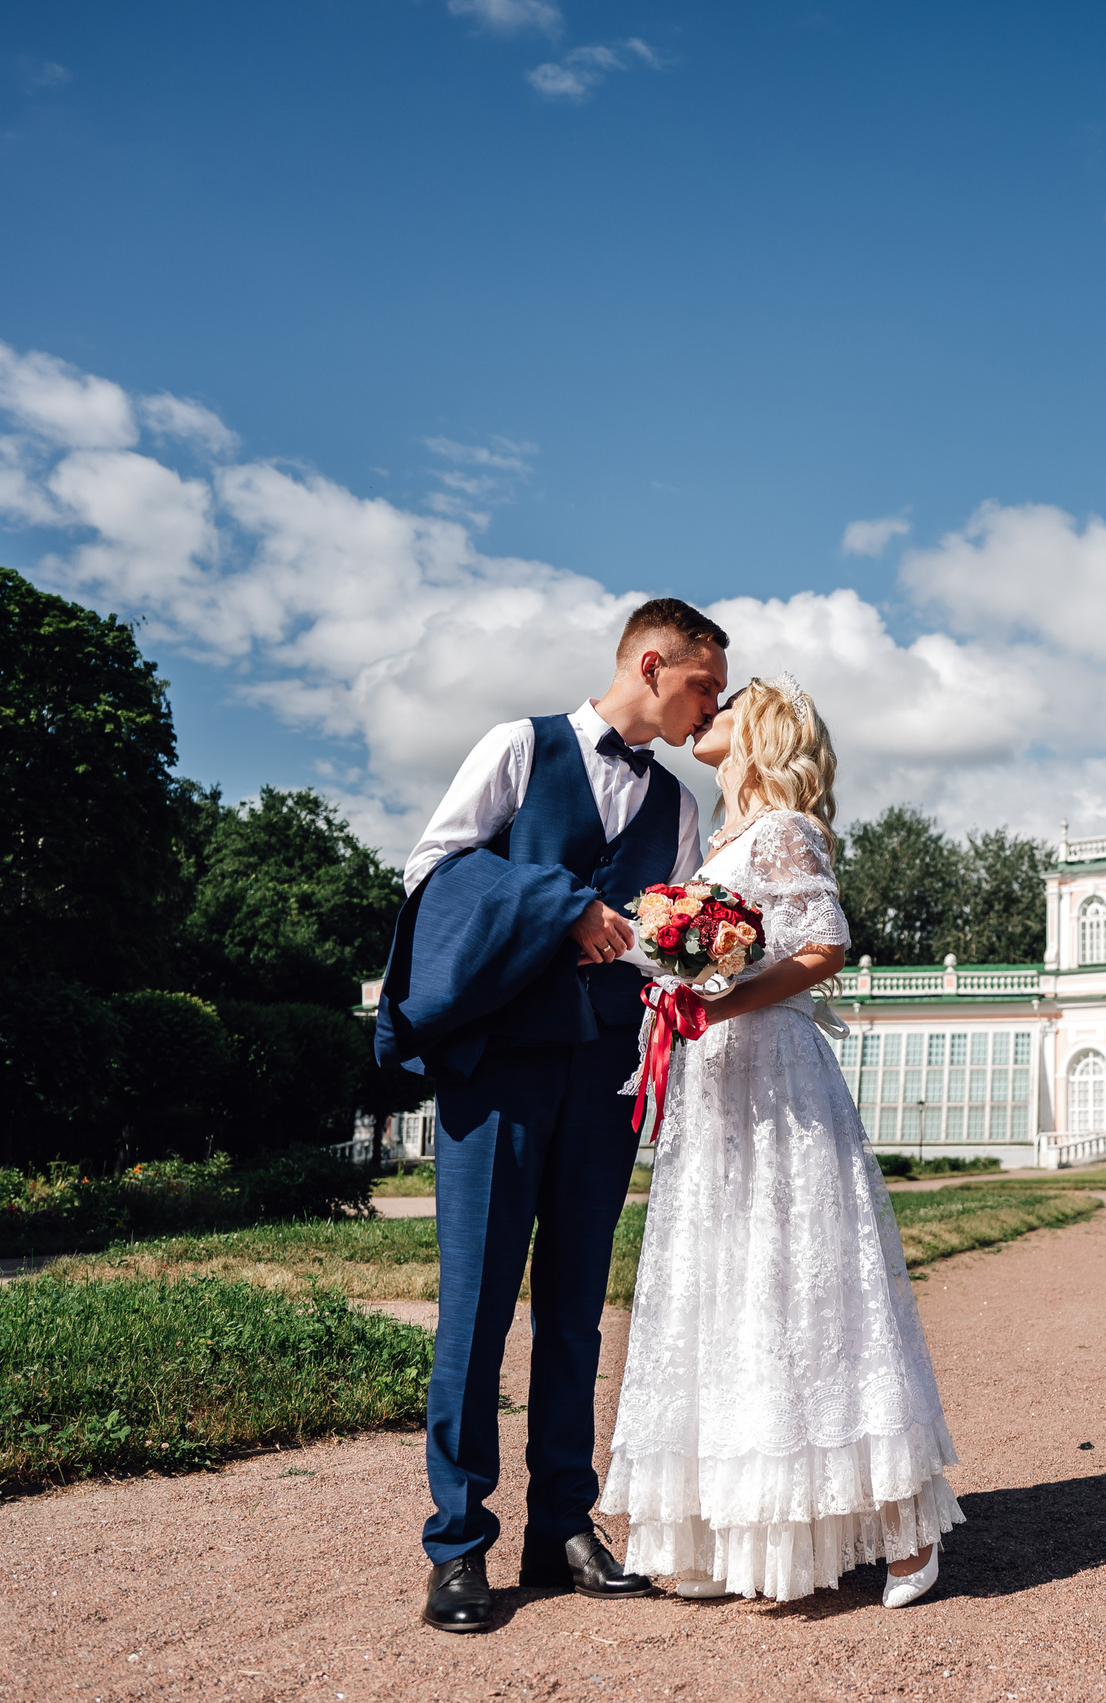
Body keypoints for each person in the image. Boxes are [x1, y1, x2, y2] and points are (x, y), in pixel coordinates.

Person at [377, 599, 727, 1634]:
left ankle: (563, 1524)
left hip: (606, 1071)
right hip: (500, 1070)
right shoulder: (516, 747)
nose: (709, 710)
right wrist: (555, 902)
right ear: (653, 664)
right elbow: (429, 869)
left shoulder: (679, 805)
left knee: (575, 1307)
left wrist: (705, 947)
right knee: (476, 1307)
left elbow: (671, 938)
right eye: (702, 686)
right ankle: (457, 1544)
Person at [599, 674, 961, 1607]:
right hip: (716, 1086)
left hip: (775, 1075)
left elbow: (823, 944)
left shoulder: (786, 828)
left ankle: (908, 1529)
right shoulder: (714, 836)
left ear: (760, 730)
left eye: (726, 708)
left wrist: (720, 999)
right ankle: (747, 1537)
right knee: (731, 1291)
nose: (706, 719)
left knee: (812, 1283)